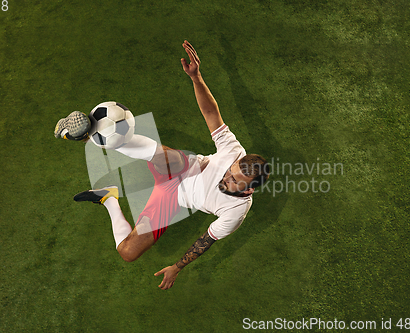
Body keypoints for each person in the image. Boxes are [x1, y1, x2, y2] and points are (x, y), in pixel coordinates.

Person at [59, 40, 270, 290]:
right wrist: (196, 77)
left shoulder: (236, 212)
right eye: (229, 172)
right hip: (181, 167)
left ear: (249, 190)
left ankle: (109, 198)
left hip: (172, 199)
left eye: (234, 182)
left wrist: (177, 267)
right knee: (172, 159)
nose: (226, 178)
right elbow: (212, 114)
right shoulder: (234, 152)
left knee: (128, 252)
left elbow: (206, 240)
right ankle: (101, 134)